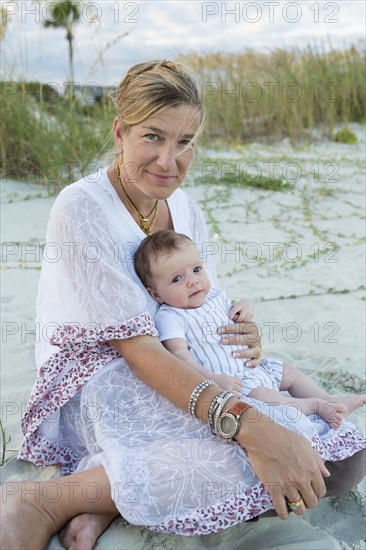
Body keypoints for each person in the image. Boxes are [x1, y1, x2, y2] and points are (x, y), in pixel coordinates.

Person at [1, 60, 365, 550]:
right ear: (120, 132)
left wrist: (240, 334)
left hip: (183, 355)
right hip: (101, 371)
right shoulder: (81, 205)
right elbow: (136, 349)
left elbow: (201, 302)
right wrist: (247, 425)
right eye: (152, 136)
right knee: (258, 445)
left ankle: (109, 496)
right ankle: (48, 500)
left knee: (340, 465)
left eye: (185, 141)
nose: (169, 161)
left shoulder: (187, 209)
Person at [134, 229, 366, 430]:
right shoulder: (171, 317)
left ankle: (330, 399)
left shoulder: (214, 296)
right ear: (155, 295)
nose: (192, 281)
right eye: (177, 279)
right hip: (237, 384)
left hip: (256, 368)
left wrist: (246, 306)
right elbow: (179, 357)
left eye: (196, 269)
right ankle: (314, 406)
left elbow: (236, 311)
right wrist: (215, 380)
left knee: (288, 370)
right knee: (271, 399)